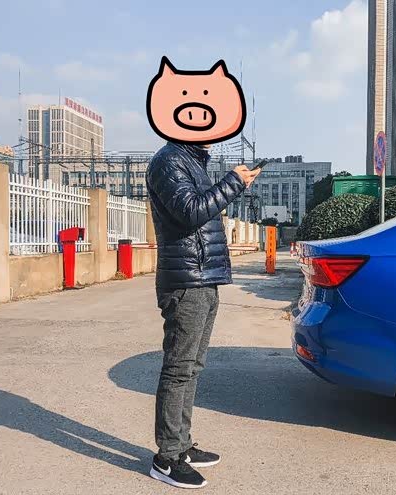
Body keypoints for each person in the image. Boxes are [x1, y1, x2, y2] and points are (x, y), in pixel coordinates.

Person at [146, 141, 260, 489]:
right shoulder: (168, 161)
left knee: (192, 367)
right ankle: (167, 458)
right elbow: (190, 212)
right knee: (179, 368)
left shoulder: (191, 160)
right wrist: (233, 182)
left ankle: (181, 445)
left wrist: (234, 184)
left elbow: (202, 210)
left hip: (203, 278)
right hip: (185, 282)